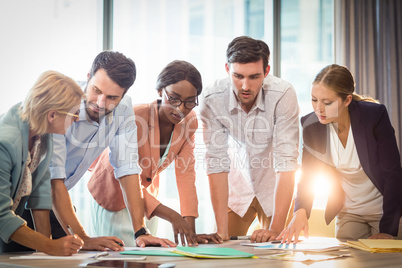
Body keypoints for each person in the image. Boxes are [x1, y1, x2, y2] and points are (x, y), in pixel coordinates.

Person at [87, 60, 221, 246]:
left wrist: (189, 231)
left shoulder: (189, 122)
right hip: (112, 196)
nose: (181, 109)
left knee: (148, 260)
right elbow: (122, 172)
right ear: (160, 91)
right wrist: (173, 216)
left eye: (190, 102)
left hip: (148, 204)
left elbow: (186, 174)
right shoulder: (134, 118)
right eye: (174, 98)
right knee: (115, 261)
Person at [49, 51, 172, 251]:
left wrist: (140, 231)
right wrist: (84, 238)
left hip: (55, 200)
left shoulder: (123, 110)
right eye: (96, 90)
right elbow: (54, 179)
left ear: (123, 94)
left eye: (112, 97)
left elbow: (128, 170)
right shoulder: (63, 103)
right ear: (88, 77)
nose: (100, 103)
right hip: (20, 196)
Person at [278, 64, 402, 243]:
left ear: (347, 100)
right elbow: (308, 175)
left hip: (385, 211)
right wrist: (300, 211)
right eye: (314, 100)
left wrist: (388, 229)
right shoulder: (311, 126)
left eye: (327, 102)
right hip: (349, 213)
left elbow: (393, 173)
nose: (318, 109)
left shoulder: (374, 116)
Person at [199, 36, 299, 243]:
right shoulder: (212, 99)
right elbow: (216, 161)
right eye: (238, 76)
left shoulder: (283, 94)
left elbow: (286, 161)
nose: (245, 86)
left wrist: (276, 229)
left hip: (274, 188)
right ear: (227, 69)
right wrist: (221, 231)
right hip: (237, 189)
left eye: (254, 77)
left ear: (266, 71)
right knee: (223, 249)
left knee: (277, 255)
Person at [0, 71, 84, 255]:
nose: (76, 121)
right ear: (52, 115)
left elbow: (41, 192)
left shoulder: (41, 133)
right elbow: (1, 216)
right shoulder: (4, 143)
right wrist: (51, 246)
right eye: (74, 115)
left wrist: (46, 250)